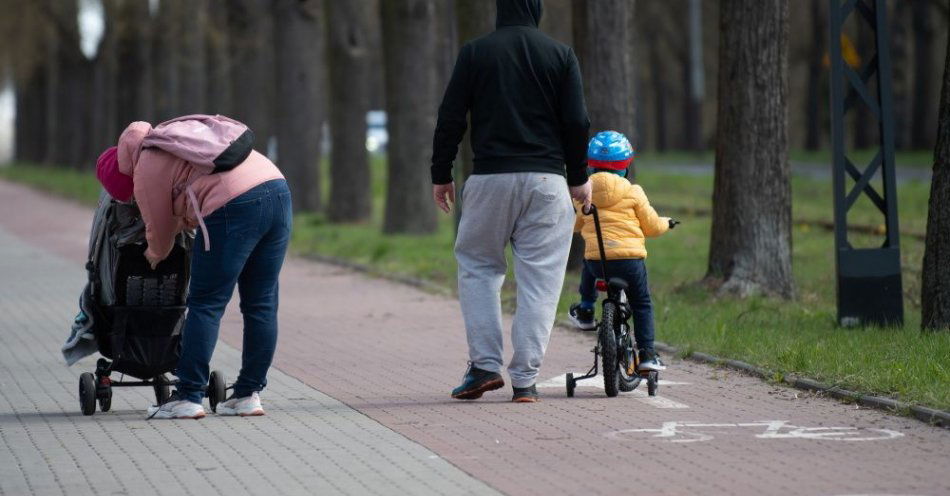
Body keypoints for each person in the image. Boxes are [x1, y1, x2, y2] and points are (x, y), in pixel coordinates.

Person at [431, 0, 591, 403]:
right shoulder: (561, 54)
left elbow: (451, 116)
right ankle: (525, 380)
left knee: (479, 268)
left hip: (489, 178)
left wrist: (441, 173)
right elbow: (576, 121)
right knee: (541, 281)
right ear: (536, 9)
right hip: (546, 180)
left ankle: (484, 366)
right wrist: (578, 178)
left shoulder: (475, 52)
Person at [96, 118, 292, 419]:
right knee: (261, 302)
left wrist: (153, 257)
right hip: (276, 189)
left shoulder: (147, 162)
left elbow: (159, 233)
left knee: (206, 303)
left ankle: (188, 396)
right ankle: (248, 395)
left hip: (233, 203)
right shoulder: (176, 140)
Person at [568, 131, 676, 371]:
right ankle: (647, 354)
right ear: (625, 167)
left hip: (599, 264)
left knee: (589, 260)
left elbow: (574, 226)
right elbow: (651, 226)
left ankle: (586, 309)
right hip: (630, 262)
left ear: (590, 166)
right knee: (642, 303)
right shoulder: (633, 192)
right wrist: (667, 223)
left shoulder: (583, 195)